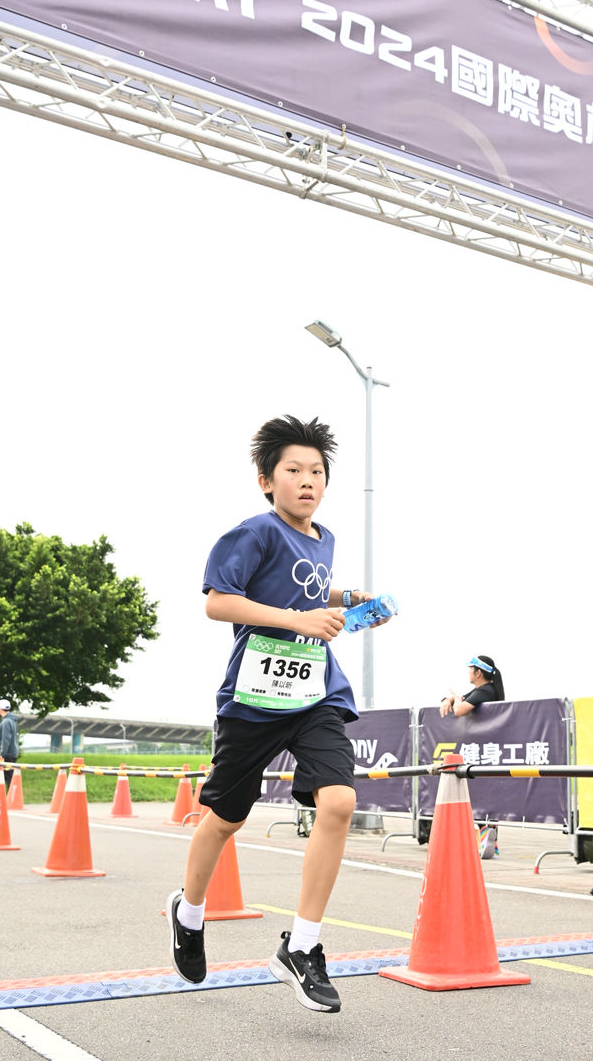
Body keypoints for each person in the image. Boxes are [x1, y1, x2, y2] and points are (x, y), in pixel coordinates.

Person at [166, 415, 389, 1015]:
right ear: (267, 481)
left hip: (315, 692)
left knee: (338, 802)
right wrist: (296, 620)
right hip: (255, 697)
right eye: (294, 470)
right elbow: (218, 602)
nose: (308, 480)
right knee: (224, 819)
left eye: (317, 471)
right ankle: (189, 913)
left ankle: (304, 946)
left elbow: (307, 593)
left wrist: (350, 599)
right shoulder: (254, 532)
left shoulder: (324, 539)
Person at [439, 655, 505, 857]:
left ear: (478, 672)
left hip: (486, 751)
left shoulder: (486, 691)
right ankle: (488, 841)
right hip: (483, 750)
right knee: (483, 795)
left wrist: (455, 699)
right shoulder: (481, 691)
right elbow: (460, 700)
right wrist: (448, 699)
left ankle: (487, 840)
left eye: (470, 669)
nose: (468, 673)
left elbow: (460, 710)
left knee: (485, 796)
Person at [439, 655, 505, 718]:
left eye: (471, 668)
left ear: (478, 673)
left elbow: (458, 710)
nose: (469, 672)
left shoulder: (485, 691)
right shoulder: (481, 689)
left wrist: (456, 697)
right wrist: (446, 700)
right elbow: (462, 698)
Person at [0, 699, 19, 791]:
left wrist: (2, 755)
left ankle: (10, 797)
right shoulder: (10, 720)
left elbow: (5, 739)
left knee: (9, 778)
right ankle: (11, 796)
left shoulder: (6, 722)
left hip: (7, 754)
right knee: (10, 777)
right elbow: (5, 733)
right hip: (12, 753)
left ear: (0, 709)